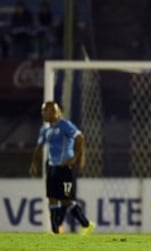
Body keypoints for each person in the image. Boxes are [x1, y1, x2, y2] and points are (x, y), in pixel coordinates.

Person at [29, 101, 95, 235]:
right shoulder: (45, 129)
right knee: (52, 197)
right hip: (52, 167)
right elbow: (39, 147)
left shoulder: (65, 125)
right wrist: (34, 164)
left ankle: (86, 224)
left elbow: (80, 137)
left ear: (57, 112)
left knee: (66, 199)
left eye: (48, 110)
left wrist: (77, 157)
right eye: (44, 111)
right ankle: (55, 231)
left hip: (65, 168)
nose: (45, 113)